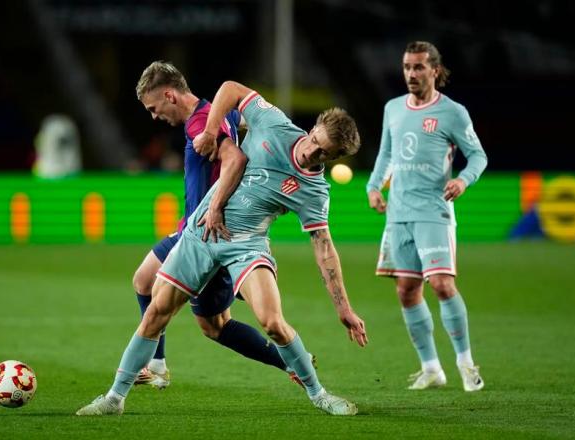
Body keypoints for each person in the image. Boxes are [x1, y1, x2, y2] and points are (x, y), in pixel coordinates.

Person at [76, 80, 367, 417]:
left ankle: (320, 395)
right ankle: (115, 399)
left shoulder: (315, 192)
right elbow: (230, 88)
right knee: (156, 312)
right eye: (314, 141)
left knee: (272, 322)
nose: (311, 152)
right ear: (313, 127)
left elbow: (324, 248)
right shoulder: (273, 122)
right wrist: (212, 131)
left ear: (333, 158)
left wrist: (343, 308)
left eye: (323, 154)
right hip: (201, 233)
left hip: (248, 244)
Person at [129, 61, 304, 389]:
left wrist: (217, 207)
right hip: (191, 227)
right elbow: (242, 122)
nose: (154, 117)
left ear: (170, 95)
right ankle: (157, 365)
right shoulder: (214, 113)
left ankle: (291, 361)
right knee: (144, 280)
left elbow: (235, 159)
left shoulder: (199, 124)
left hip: (210, 232)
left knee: (216, 326)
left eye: (154, 108)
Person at [366, 41, 488, 392]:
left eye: (418, 67)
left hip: (434, 211)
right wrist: (374, 187)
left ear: (435, 70)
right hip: (399, 212)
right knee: (406, 289)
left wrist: (463, 180)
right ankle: (431, 368)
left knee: (442, 284)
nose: (411, 74)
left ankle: (466, 362)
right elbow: (386, 154)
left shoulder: (453, 112)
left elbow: (478, 156)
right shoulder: (393, 108)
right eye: (406, 67)